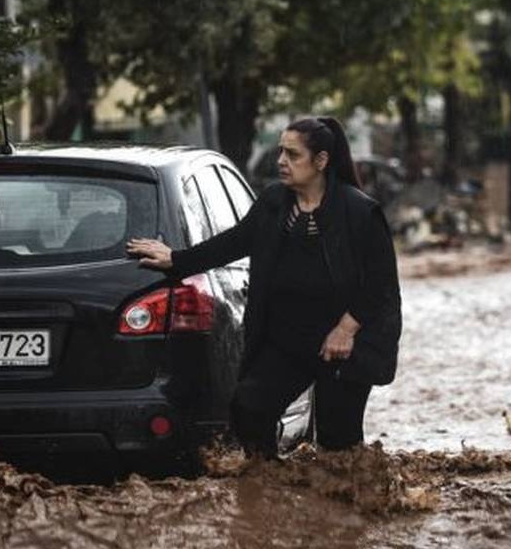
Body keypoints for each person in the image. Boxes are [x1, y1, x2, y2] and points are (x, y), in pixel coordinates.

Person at [127, 117, 401, 457]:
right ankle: (268, 492)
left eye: (293, 155)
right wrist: (176, 259)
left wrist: (346, 329)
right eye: (280, 152)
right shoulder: (274, 203)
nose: (281, 162)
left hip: (343, 344)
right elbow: (233, 243)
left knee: (337, 444)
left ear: (321, 161)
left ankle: (340, 505)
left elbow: (381, 286)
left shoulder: (360, 212)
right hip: (288, 340)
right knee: (249, 410)